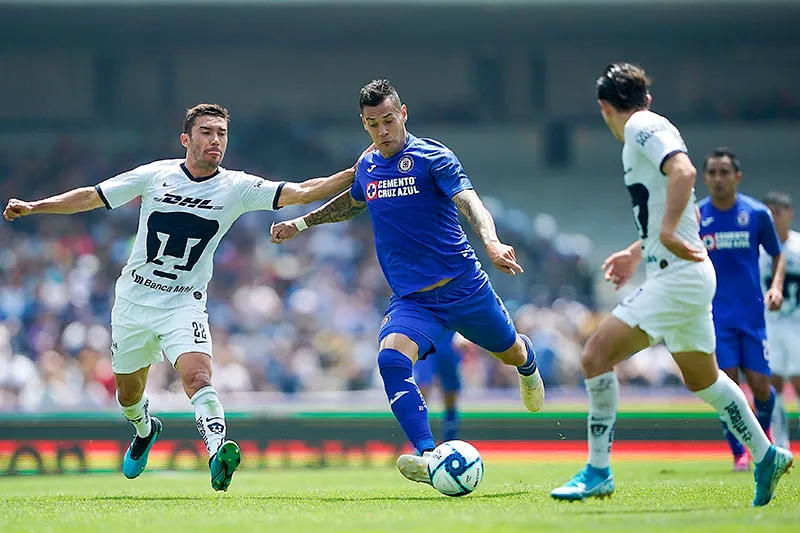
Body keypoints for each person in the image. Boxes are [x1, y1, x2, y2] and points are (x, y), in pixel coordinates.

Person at [3, 103, 362, 491]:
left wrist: (355, 172)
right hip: (134, 302)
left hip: (183, 302)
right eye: (207, 132)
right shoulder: (155, 175)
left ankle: (216, 449)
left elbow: (303, 191)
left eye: (222, 133)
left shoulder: (236, 187)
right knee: (128, 394)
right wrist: (37, 206)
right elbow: (93, 196)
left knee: (197, 375)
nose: (216, 141)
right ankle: (145, 430)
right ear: (186, 139)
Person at [270, 79, 545, 488]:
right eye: (372, 124)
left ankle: (527, 362)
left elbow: (470, 201)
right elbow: (351, 202)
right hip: (414, 301)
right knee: (391, 359)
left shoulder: (434, 157)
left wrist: (489, 240)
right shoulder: (367, 165)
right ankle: (429, 455)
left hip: (464, 287)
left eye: (387, 120)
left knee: (509, 351)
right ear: (364, 125)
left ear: (403, 114)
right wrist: (301, 222)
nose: (382, 131)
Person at [550, 63, 792, 507]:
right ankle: (766, 453)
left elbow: (684, 172)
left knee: (594, 355)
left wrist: (662, 234)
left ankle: (598, 471)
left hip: (679, 277)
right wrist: (636, 250)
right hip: (680, 275)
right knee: (704, 380)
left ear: (605, 108)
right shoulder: (649, 125)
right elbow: (679, 205)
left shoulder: (643, 126)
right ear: (647, 96)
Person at [699, 148, 786, 471]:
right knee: (728, 387)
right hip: (715, 317)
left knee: (762, 386)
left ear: (737, 176)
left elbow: (778, 255)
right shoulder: (697, 217)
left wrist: (775, 287)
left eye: (724, 172)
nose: (718, 179)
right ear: (705, 177)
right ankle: (740, 453)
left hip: (752, 316)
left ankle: (763, 438)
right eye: (712, 173)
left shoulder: (757, 214)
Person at [761, 192, 800, 451]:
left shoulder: (798, 246)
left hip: (798, 324)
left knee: (798, 381)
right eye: (769, 213)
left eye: (778, 212)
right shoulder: (759, 249)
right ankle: (781, 443)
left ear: (790, 214)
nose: (774, 218)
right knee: (772, 384)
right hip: (770, 325)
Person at [413, 330, 464, 442]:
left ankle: (450, 439)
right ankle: (421, 441)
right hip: (427, 340)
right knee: (422, 389)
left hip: (449, 341)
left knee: (450, 394)